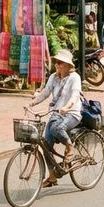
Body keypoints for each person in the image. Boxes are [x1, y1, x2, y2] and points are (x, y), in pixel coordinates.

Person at [28, 49, 82, 187]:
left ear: (68, 65)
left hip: (72, 113)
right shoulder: (53, 77)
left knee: (57, 128)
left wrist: (67, 107)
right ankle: (52, 177)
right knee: (46, 144)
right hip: (56, 114)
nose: (57, 65)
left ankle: (70, 147)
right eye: (56, 62)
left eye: (61, 63)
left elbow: (75, 95)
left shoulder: (74, 77)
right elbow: (45, 92)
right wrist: (32, 103)